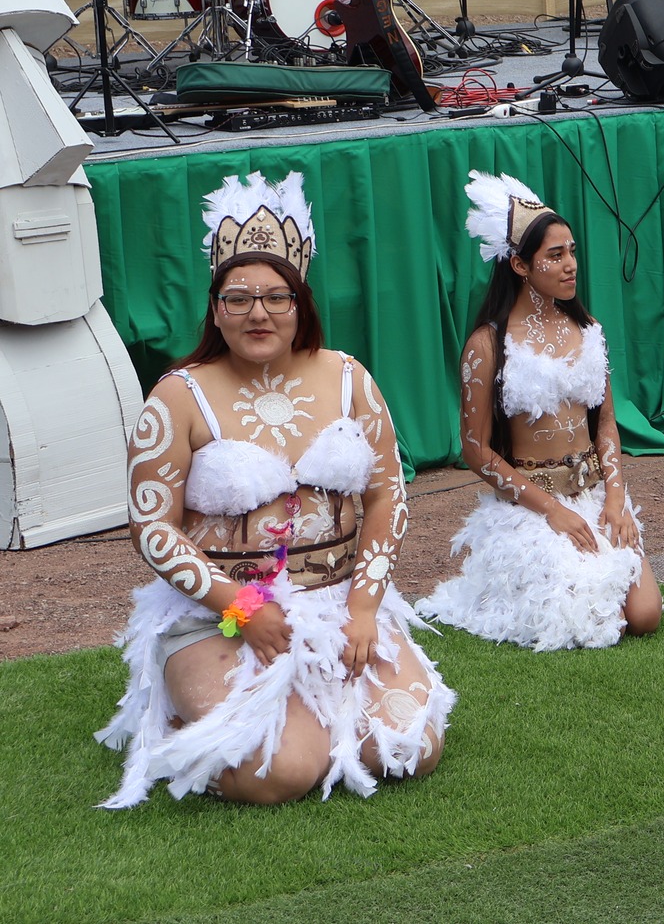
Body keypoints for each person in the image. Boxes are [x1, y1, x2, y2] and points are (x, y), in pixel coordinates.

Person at [97, 172, 451, 807]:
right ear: (215, 308)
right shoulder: (178, 395)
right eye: (238, 298)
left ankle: (311, 703)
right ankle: (177, 715)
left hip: (341, 601)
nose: (257, 312)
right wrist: (240, 607)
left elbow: (386, 496)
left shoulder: (350, 378)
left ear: (300, 304)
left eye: (275, 297)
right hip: (222, 616)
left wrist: (364, 608)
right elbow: (150, 526)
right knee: (281, 772)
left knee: (407, 746)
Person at [417, 172, 662, 650]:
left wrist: (615, 498)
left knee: (645, 615)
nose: (571, 265)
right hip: (532, 505)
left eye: (571, 251)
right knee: (586, 618)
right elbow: (476, 451)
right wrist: (552, 511)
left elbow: (606, 423)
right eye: (555, 255)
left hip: (592, 493)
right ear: (520, 265)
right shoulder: (487, 344)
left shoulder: (589, 327)